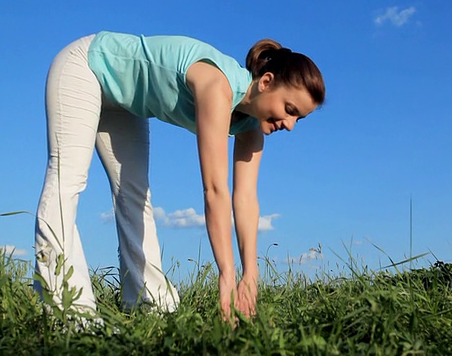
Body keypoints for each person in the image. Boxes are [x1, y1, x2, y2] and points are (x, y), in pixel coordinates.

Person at [33, 30, 325, 319]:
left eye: (298, 118)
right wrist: (226, 275)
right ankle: (65, 307)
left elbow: (245, 199)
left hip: (125, 102)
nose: (290, 125)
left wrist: (250, 274)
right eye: (289, 109)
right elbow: (214, 189)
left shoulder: (251, 126)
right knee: (67, 179)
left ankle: (151, 305)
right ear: (266, 81)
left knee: (134, 195)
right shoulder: (218, 86)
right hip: (87, 65)